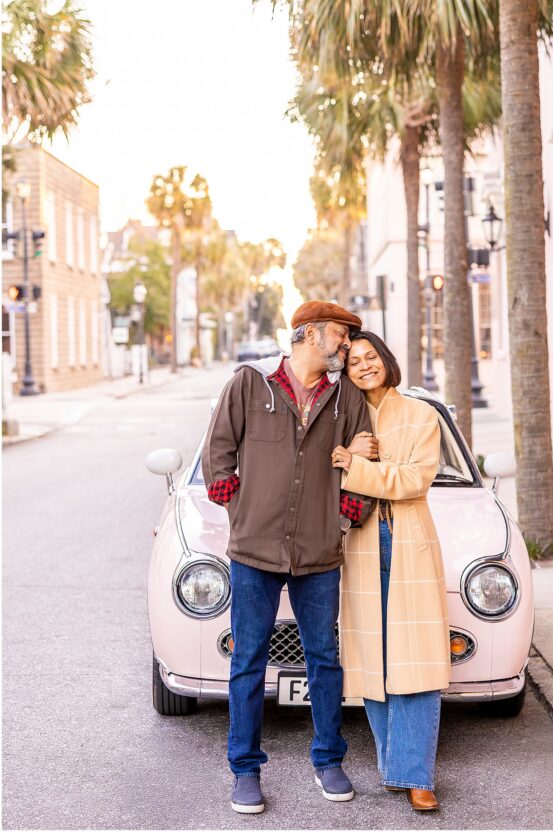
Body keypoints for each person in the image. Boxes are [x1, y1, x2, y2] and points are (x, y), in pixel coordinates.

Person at [202, 301, 375, 814]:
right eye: (340, 337)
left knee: (324, 658)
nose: (345, 346)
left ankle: (328, 760)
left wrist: (344, 517)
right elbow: (218, 453)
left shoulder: (347, 399)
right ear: (308, 334)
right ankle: (245, 769)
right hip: (253, 551)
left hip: (319, 552)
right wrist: (241, 510)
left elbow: (366, 461)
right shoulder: (250, 385)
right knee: (248, 660)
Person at [332, 330, 450, 813]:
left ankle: (418, 776)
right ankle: (393, 764)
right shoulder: (343, 420)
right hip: (359, 542)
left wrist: (354, 466)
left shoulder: (421, 414)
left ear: (386, 359)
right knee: (374, 657)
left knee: (416, 658)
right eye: (354, 360)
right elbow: (325, 475)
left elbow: (414, 479)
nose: (363, 365)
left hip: (407, 540)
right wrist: (349, 455)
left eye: (370, 356)